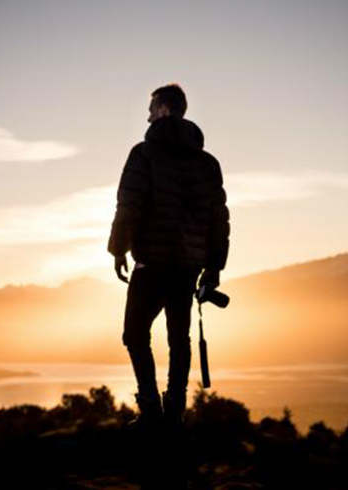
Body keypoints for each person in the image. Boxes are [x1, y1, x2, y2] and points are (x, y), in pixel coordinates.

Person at [107, 83, 230, 429]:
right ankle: (174, 412)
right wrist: (214, 268)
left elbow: (128, 205)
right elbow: (218, 219)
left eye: (151, 110)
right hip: (188, 266)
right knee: (180, 338)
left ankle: (150, 410)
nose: (147, 117)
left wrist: (118, 248)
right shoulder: (208, 164)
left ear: (163, 110)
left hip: (151, 264)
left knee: (134, 335)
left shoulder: (143, 154)